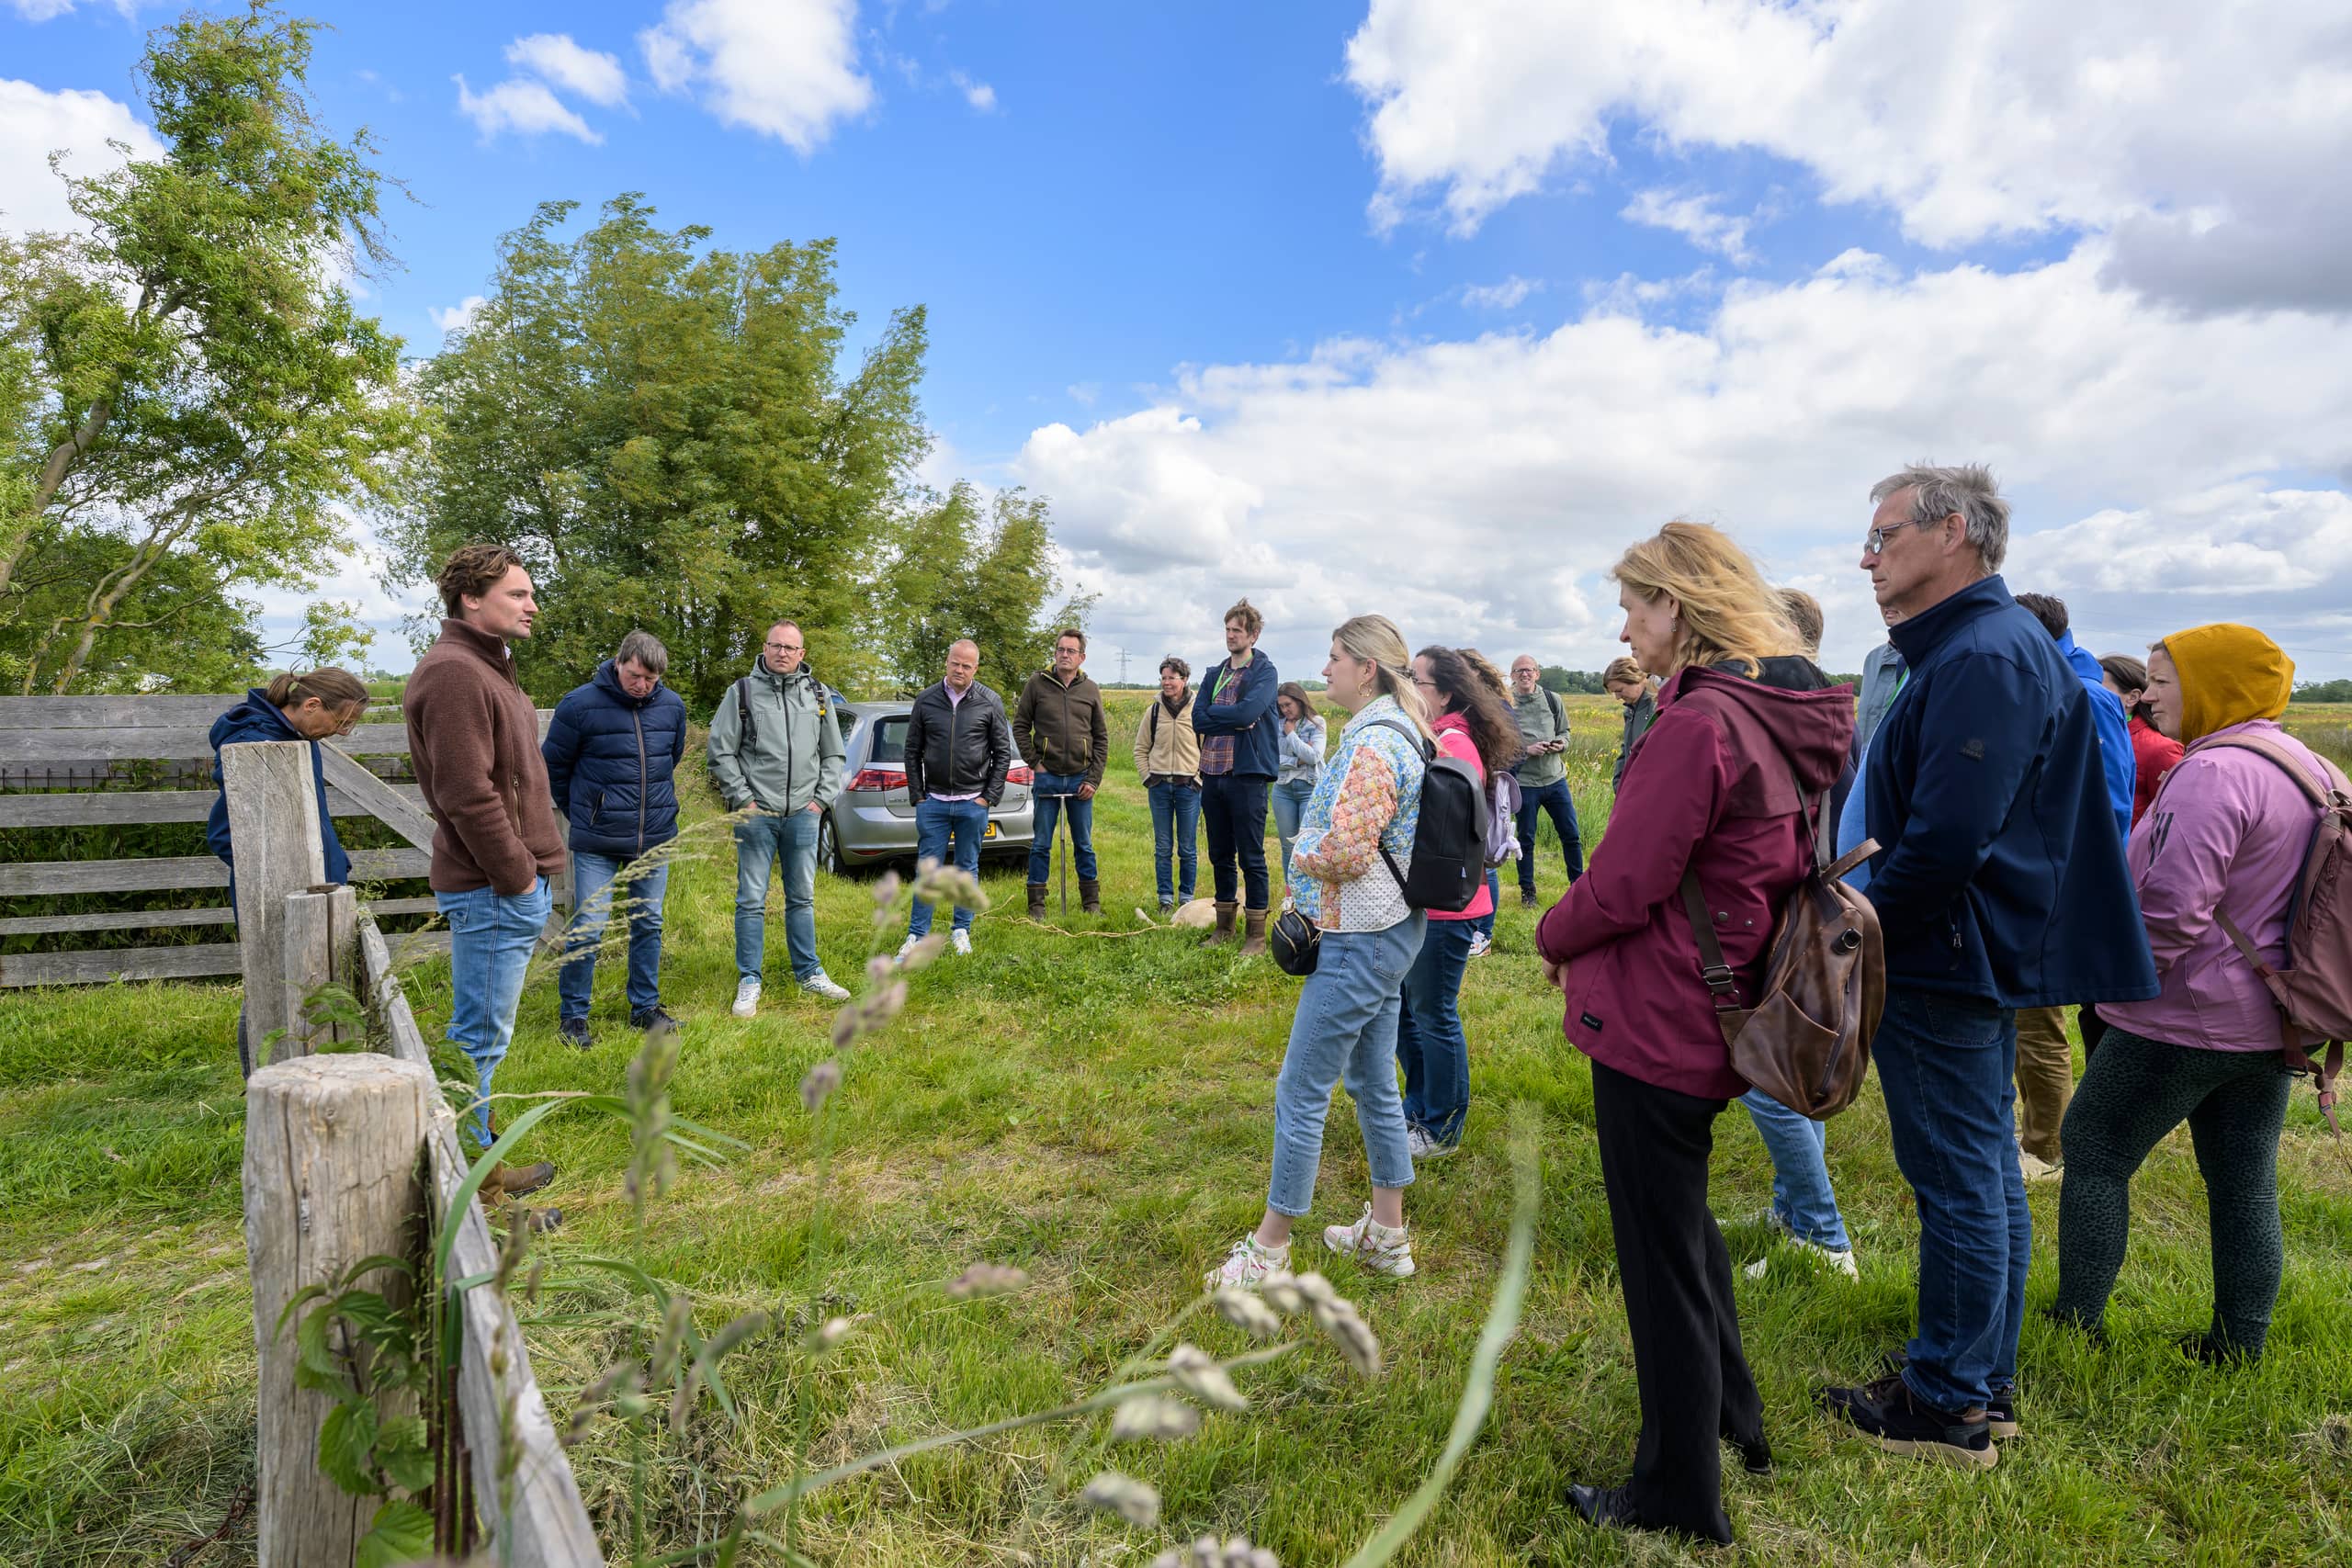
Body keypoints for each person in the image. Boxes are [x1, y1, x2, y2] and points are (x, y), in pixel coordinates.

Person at [1818, 465, 2154, 1471]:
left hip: (1941, 954)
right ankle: (1973, 1377)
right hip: (1960, 948)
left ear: (1952, 532)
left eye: (1883, 537)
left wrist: (1855, 931)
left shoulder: (1982, 653)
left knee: (1959, 1176)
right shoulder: (1982, 645)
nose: (1866, 557)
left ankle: (1950, 1404)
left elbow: (1948, 840)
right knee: (1981, 1174)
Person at [1538, 521, 1850, 1544]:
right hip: (1724, 1000)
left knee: (1658, 1260)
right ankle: (1735, 1419)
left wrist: (1551, 930)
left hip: (1660, 1015)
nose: (1623, 626)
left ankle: (1677, 1495)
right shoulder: (1783, 712)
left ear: (1680, 605)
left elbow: (1623, 881)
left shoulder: (1699, 725)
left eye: (1634, 604)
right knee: (1684, 1232)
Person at [2050, 625, 2328, 1366]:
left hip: (2183, 1013)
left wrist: (2109, 982)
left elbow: (2171, 909)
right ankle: (2240, 1344)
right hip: (2277, 1016)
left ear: (2214, 684)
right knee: (2244, 1179)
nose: (2149, 694)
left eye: (2165, 680)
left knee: (2095, 1148)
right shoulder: (2309, 764)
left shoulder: (2213, 773)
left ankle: (2074, 1327)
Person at [1208, 615, 1431, 1289]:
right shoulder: (1396, 731)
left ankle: (1269, 1252)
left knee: (1301, 1089)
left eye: (1336, 658)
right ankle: (1387, 1236)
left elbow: (1348, 849)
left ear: (1367, 668)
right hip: (1388, 931)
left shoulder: (1371, 746)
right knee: (1371, 1084)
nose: (1326, 668)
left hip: (1358, 940)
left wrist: (1300, 848)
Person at [403, 543, 566, 1202]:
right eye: (518, 594)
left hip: (505, 886)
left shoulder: (486, 667)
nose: (532, 605)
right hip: (494, 888)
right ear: (472, 597)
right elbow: (466, 792)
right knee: (476, 1039)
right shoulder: (454, 674)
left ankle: (480, 1164)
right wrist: (519, 877)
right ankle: (471, 1185)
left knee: (485, 1038)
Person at [1732, 589, 1861, 1283]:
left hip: (1792, 907)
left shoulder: (1790, 698)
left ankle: (1824, 1232)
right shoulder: (1826, 701)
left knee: (1765, 1075)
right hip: (1816, 901)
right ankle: (1792, 1210)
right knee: (1793, 1060)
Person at [2009, 592, 2139, 1179]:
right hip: (2038, 880)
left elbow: (2109, 807)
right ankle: (2031, 1130)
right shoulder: (2059, 678)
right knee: (2021, 1016)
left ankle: (2046, 1148)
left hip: (2053, 887)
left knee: (2038, 1020)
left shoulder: (2086, 694)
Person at [206, 668, 371, 1077]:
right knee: (269, 988)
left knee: (309, 985)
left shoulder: (296, 739)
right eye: (342, 722)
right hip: (279, 894)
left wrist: (332, 862)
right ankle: (263, 1082)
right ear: (312, 705)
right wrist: (282, 878)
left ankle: (307, 1075)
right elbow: (227, 835)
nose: (343, 732)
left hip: (314, 888)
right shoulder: (257, 744)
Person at [1396, 646, 1516, 1157]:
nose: (1408, 688)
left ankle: (1441, 1127)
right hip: (1429, 904)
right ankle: (1419, 1108)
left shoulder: (1452, 745)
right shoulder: (1443, 740)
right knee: (1410, 1013)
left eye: (1416, 680)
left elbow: (1438, 837)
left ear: (1445, 693)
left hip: (1446, 910)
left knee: (1434, 1015)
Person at [543, 630, 688, 1047]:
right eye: (636, 675)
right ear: (619, 661)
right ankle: (573, 1017)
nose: (643, 685)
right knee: (589, 926)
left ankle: (644, 1008)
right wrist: (584, 813)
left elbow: (670, 758)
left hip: (655, 836)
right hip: (597, 841)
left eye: (652, 679)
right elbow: (554, 767)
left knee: (649, 923)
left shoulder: (672, 707)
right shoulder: (579, 705)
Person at [707, 620, 852, 1014]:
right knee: (751, 899)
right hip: (758, 814)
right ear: (765, 648)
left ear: (802, 654)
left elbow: (834, 754)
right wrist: (745, 800)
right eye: (777, 646)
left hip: (804, 815)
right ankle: (749, 980)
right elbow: (720, 752)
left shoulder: (818, 694)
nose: (783, 653)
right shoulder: (742, 693)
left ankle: (809, 973)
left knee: (802, 897)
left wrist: (819, 802)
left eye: (791, 648)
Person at [899, 639, 1012, 959]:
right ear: (946, 663)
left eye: (966, 666)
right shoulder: (926, 700)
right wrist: (918, 796)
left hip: (972, 801)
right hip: (933, 802)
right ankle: (916, 934)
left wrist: (988, 797)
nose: (959, 670)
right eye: (954, 663)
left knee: (967, 869)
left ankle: (961, 930)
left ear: (975, 668)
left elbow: (1002, 754)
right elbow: (911, 751)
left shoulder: (990, 702)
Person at [1195, 599, 1281, 955]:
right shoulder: (1215, 673)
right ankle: (1224, 926)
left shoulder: (1264, 672)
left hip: (1247, 775)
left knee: (1251, 856)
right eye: (1228, 629)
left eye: (1238, 630)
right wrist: (1230, 716)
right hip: (1212, 774)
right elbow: (1198, 719)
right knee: (1219, 854)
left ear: (1253, 634)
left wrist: (1226, 714)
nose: (1231, 636)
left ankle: (1256, 936)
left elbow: (1250, 710)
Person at [1016, 628, 1111, 919]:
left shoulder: (1090, 689)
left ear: (1081, 656)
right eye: (1060, 650)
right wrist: (1036, 764)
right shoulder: (1037, 684)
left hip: (1081, 778)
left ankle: (1090, 902)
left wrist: (1093, 779)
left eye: (1071, 651)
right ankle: (1036, 904)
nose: (1064, 655)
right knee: (1042, 842)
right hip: (1048, 776)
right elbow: (1020, 726)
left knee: (1083, 842)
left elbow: (1101, 737)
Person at [1506, 655, 1584, 910]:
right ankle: (1527, 891)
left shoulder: (1552, 699)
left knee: (1571, 835)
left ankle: (1578, 886)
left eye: (1529, 670)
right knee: (1525, 841)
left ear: (1537, 673)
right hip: (1525, 783)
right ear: (1512, 676)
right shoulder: (1505, 703)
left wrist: (1561, 744)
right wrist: (1526, 750)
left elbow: (1566, 732)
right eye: (1519, 671)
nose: (1524, 675)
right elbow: (1500, 745)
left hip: (1556, 779)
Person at [1135, 656, 1204, 913]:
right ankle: (1165, 898)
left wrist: (1198, 779)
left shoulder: (1197, 710)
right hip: (1160, 787)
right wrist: (1148, 777)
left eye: (1171, 678)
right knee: (1163, 847)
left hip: (1189, 788)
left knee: (1187, 847)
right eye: (1163, 678)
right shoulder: (1153, 711)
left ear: (1184, 680)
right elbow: (1140, 748)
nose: (1166, 683)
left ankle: (1186, 898)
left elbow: (1208, 750)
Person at [2098, 653, 2184, 828]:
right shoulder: (2093, 738)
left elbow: (2171, 819)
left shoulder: (2160, 749)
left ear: (2132, 697)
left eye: (2100, 690)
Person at [1270, 682, 1326, 881]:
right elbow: (1272, 759)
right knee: (1287, 845)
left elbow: (1314, 756)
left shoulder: (1317, 723)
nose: (1285, 710)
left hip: (1309, 789)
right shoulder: (1277, 724)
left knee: (1307, 844)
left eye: (1288, 704)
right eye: (1281, 706)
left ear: (1300, 701)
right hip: (1283, 790)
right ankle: (1290, 894)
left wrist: (1291, 735)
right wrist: (1296, 759)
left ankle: (1308, 892)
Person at [1602, 656, 1657, 791]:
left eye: (1619, 690)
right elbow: (1627, 749)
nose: (1617, 697)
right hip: (1632, 791)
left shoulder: (1658, 708)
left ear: (1636, 680)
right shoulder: (1630, 710)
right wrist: (1618, 783)